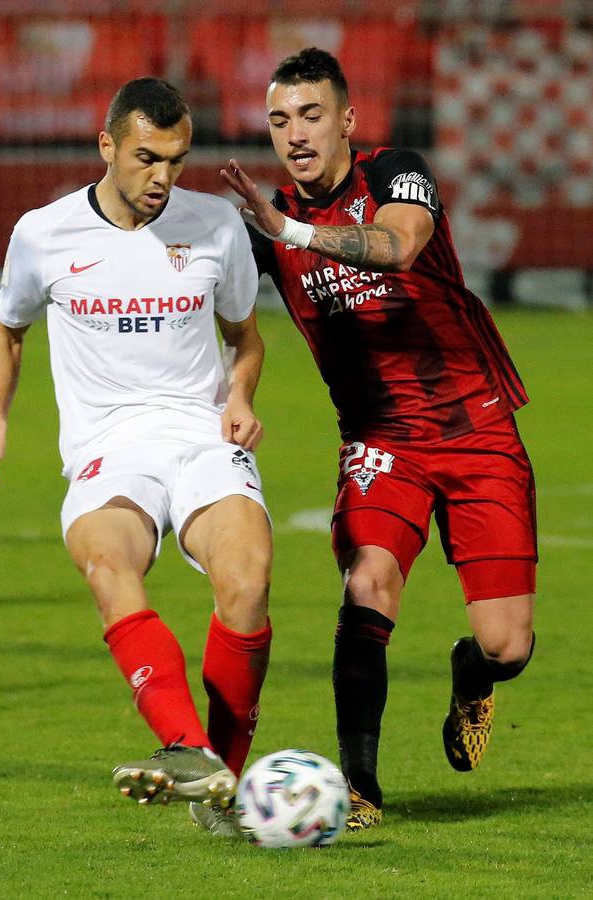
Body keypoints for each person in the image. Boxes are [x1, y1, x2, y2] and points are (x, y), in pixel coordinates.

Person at [222, 48, 536, 831]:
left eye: (312, 115)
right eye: (280, 120)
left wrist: (288, 228)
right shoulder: (261, 232)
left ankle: (473, 675)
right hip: (379, 439)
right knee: (367, 583)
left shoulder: (397, 172)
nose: (295, 133)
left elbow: (397, 244)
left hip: (477, 426)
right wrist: (234, 394)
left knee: (509, 644)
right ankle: (359, 786)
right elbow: (223, 318)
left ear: (348, 121)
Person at [0, 77, 273, 837]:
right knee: (107, 563)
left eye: (176, 158)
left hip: (201, 436)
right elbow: (6, 332)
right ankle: (185, 745)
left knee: (249, 578)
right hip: (107, 450)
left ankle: (217, 788)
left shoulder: (218, 228)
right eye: (145, 158)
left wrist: (240, 396)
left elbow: (245, 335)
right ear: (107, 147)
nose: (163, 176)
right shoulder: (44, 233)